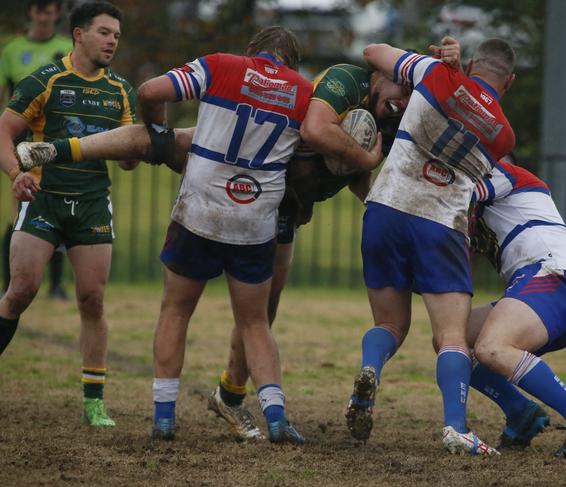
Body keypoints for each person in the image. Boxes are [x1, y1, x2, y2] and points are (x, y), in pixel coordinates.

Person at [14, 53, 421, 439]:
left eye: (410, 95)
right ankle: (61, 149)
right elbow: (318, 132)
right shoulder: (345, 81)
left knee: (265, 308)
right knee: (165, 141)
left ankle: (229, 395)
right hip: (263, 178)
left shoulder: (390, 120)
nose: (402, 101)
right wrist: (363, 162)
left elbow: (348, 171)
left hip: (282, 201)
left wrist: (379, 204)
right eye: (399, 89)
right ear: (379, 74)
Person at [134, 26, 316, 444]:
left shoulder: (221, 66)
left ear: (253, 51)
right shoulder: (304, 93)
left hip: (200, 208)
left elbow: (148, 91)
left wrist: (158, 130)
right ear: (292, 62)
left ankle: (164, 418)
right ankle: (276, 418)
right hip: (254, 221)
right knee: (254, 322)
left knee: (176, 310)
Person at [345, 38, 516, 455]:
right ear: (508, 82)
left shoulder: (435, 73)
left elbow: (372, 52)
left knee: (390, 325)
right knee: (452, 337)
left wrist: (433, 64)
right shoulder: (504, 134)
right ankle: (455, 428)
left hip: (385, 209)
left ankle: (370, 369)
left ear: (472, 62)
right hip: (440, 224)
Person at [0, 1, 137, 428]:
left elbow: (132, 156)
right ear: (79, 34)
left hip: (93, 203)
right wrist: (15, 174)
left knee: (92, 300)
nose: (112, 39)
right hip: (45, 198)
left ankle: (94, 401)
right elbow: (5, 129)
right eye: (104, 32)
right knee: (21, 289)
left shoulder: (121, 90)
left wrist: (135, 151)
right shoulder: (46, 79)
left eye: (116, 33)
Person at [461, 157, 566, 458]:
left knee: (492, 347)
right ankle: (520, 412)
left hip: (554, 276)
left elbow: (456, 194)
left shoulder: (508, 173)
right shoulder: (480, 215)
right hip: (541, 287)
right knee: (452, 338)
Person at [0, 0, 72, 298]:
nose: (45, 15)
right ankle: (10, 284)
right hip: (22, 141)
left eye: (51, 9)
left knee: (57, 203)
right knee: (21, 208)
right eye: (40, 8)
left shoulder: (68, 45)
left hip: (55, 138)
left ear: (57, 14)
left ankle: (55, 285)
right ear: (30, 12)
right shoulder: (12, 50)